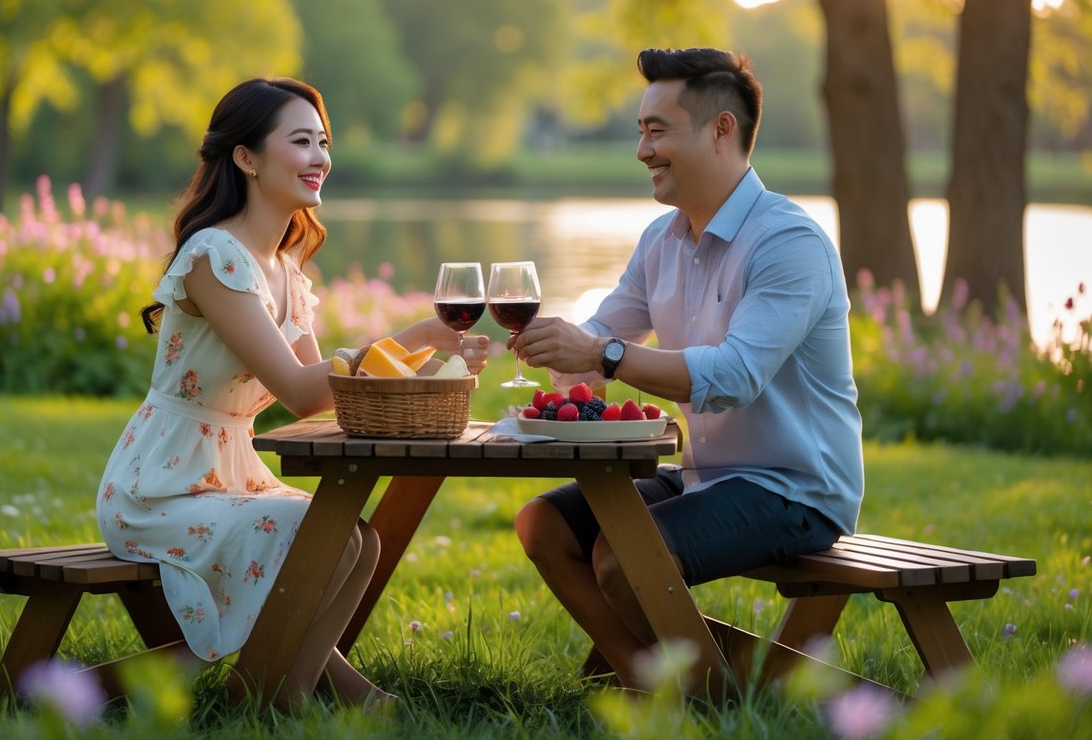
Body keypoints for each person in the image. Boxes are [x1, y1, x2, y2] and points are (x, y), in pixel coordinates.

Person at [96, 77, 489, 712]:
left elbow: (319, 392)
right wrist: (413, 332)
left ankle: (293, 691)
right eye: (301, 141)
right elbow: (303, 389)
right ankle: (292, 694)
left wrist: (420, 352)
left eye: (323, 142)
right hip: (160, 484)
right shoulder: (214, 256)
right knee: (317, 530)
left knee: (358, 539)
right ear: (246, 158)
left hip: (231, 474)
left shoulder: (284, 268)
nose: (320, 158)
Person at [511, 48, 864, 689]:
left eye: (657, 131)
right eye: (641, 132)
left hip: (794, 489)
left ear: (721, 129)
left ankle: (702, 696)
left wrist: (602, 356)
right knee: (544, 524)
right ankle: (653, 678)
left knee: (622, 559)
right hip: (706, 475)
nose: (643, 151)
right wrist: (557, 343)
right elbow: (605, 332)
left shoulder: (789, 243)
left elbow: (731, 377)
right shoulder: (663, 239)